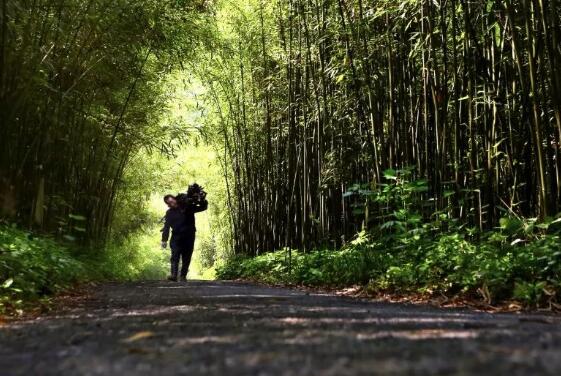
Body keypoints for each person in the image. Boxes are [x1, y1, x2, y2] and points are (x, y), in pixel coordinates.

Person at [161, 192, 208, 282]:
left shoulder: (187, 207)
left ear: (175, 199)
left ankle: (183, 276)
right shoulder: (169, 213)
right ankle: (174, 275)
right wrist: (164, 240)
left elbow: (203, 207)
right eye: (169, 203)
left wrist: (202, 199)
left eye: (172, 201)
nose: (172, 203)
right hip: (176, 237)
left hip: (189, 236)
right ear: (168, 205)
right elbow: (166, 226)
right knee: (175, 256)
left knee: (187, 256)